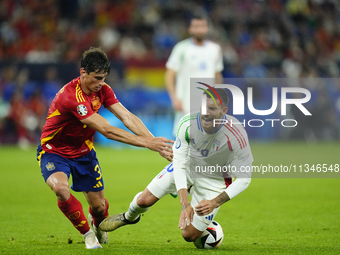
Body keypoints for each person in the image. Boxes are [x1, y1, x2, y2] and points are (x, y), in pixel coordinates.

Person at [36, 47, 173, 249]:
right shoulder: (71, 97)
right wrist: (147, 143)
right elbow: (106, 130)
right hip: (54, 151)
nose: (101, 83)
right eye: (97, 78)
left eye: (104, 78)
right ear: (83, 73)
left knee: (99, 208)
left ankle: (97, 225)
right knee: (61, 189)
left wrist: (155, 143)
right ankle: (87, 235)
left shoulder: (103, 90)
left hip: (84, 153)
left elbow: (127, 117)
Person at [99, 88, 252, 244]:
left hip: (214, 181)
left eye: (212, 108)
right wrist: (185, 203)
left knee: (189, 235)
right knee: (143, 201)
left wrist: (214, 203)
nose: (205, 113)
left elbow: (244, 179)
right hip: (189, 168)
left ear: (224, 111)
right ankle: (128, 217)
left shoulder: (236, 135)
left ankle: (205, 223)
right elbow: (179, 163)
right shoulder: (187, 123)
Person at [165, 15, 224, 135]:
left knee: (208, 139)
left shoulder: (215, 49)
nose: (199, 30)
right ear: (190, 29)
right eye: (196, 26)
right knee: (183, 138)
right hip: (186, 101)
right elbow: (169, 75)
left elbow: (217, 75)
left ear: (207, 28)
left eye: (202, 26)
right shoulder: (181, 48)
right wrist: (174, 98)